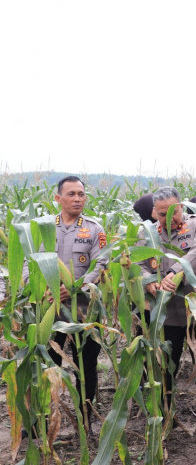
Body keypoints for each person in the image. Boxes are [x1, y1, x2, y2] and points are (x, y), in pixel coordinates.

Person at [29, 176, 109, 430]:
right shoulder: (42, 228)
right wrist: (40, 289)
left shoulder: (94, 229)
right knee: (48, 364)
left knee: (86, 367)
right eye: (72, 194)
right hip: (50, 309)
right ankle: (43, 420)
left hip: (86, 309)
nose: (78, 199)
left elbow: (100, 265)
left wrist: (73, 289)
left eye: (82, 194)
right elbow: (27, 263)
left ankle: (85, 419)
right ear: (58, 198)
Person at [137, 187, 196, 430]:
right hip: (166, 313)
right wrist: (149, 281)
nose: (168, 218)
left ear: (181, 206)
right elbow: (139, 263)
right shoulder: (148, 233)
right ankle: (166, 415)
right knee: (165, 365)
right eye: (162, 214)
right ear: (153, 212)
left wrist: (175, 272)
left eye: (174, 211)